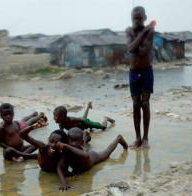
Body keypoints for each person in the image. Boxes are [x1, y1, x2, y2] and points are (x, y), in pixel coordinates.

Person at [126, 6, 155, 149]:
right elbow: (131, 49)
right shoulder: (129, 30)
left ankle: (146, 138)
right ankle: (137, 138)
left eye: (139, 17)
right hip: (133, 72)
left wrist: (142, 35)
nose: (136, 20)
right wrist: (143, 33)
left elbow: (143, 52)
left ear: (144, 17)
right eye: (134, 18)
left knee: (145, 104)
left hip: (146, 71)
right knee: (136, 104)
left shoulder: (151, 31)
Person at [56, 127, 128, 175]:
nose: (73, 143)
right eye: (71, 140)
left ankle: (118, 138)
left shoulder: (79, 150)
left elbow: (84, 154)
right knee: (82, 145)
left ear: (80, 141)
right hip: (82, 147)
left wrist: (66, 145)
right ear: (67, 140)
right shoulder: (69, 147)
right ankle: (84, 134)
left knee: (107, 152)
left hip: (93, 157)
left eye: (76, 140)